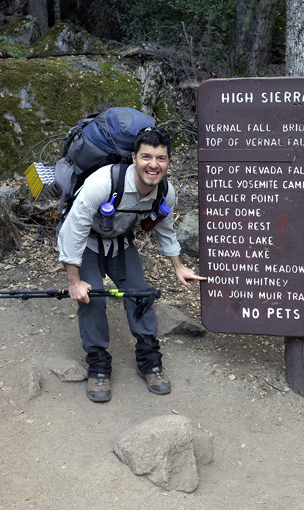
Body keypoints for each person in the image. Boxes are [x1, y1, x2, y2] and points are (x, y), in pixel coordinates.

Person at [57, 126, 206, 403]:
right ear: (134, 158)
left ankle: (149, 360)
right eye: (147, 157)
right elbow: (72, 231)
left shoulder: (165, 191)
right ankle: (98, 364)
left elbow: (165, 229)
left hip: (120, 243)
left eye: (161, 158)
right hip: (87, 244)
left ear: (168, 161)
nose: (153, 164)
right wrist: (74, 282)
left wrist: (178, 266)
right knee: (93, 299)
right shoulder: (104, 182)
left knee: (140, 295)